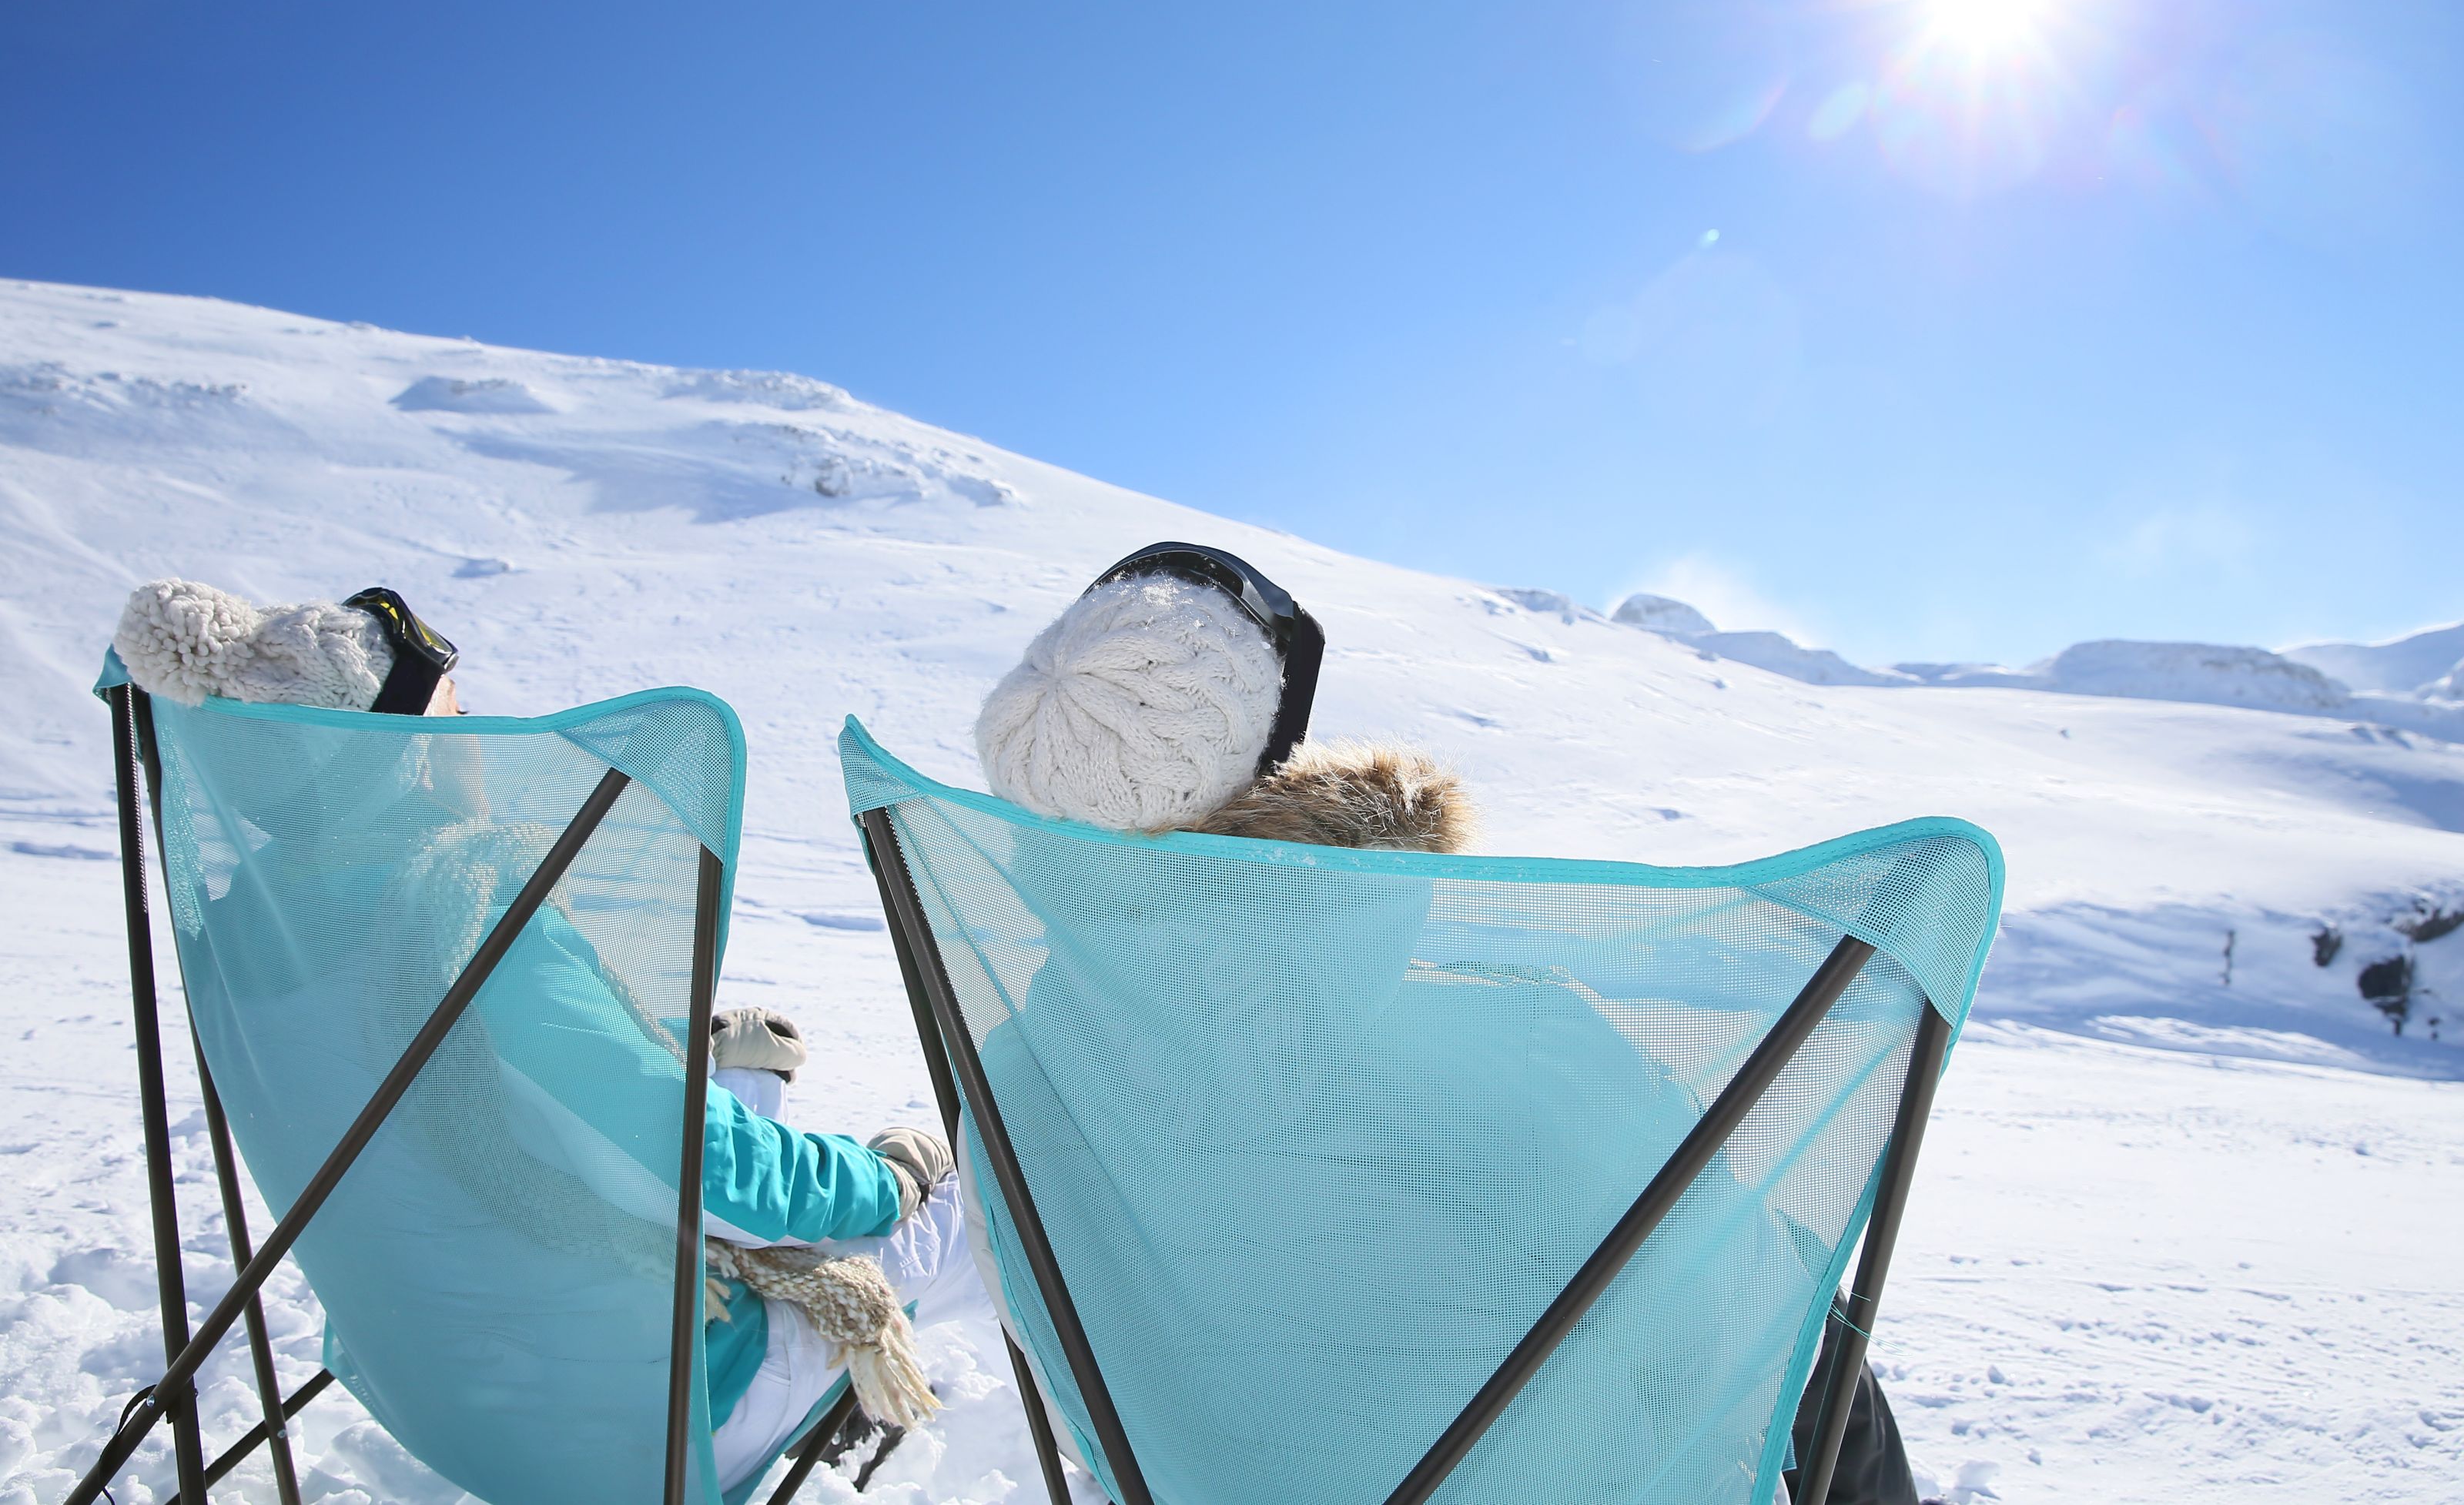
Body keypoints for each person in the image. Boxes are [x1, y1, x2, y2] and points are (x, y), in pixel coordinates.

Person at [971, 543, 1923, 1505]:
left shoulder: (1009, 1089)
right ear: (1271, 764)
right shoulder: (1512, 1041)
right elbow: (1743, 1345)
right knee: (1805, 1310)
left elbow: (1078, 1405)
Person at [112, 577, 971, 1493]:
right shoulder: (458, 924)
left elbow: (482, 1109)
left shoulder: (250, 930)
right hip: (632, 1416)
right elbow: (705, 1173)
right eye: (456, 718)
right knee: (998, 1203)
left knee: (732, 1096)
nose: (475, 741)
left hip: (441, 1395)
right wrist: (892, 1177)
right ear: (407, 758)